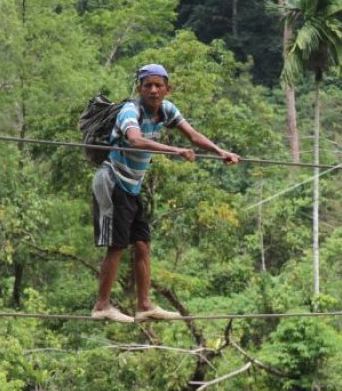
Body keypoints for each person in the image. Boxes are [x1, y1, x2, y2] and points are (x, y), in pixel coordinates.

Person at [91, 64, 240, 323]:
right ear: (139, 88)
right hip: (113, 181)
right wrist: (174, 151)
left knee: (142, 243)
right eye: (147, 85)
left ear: (167, 89)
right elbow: (135, 140)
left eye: (158, 85)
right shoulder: (130, 110)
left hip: (132, 186)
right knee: (117, 245)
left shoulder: (167, 110)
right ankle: (102, 305)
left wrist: (220, 152)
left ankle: (145, 305)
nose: (153, 90)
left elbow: (192, 135)